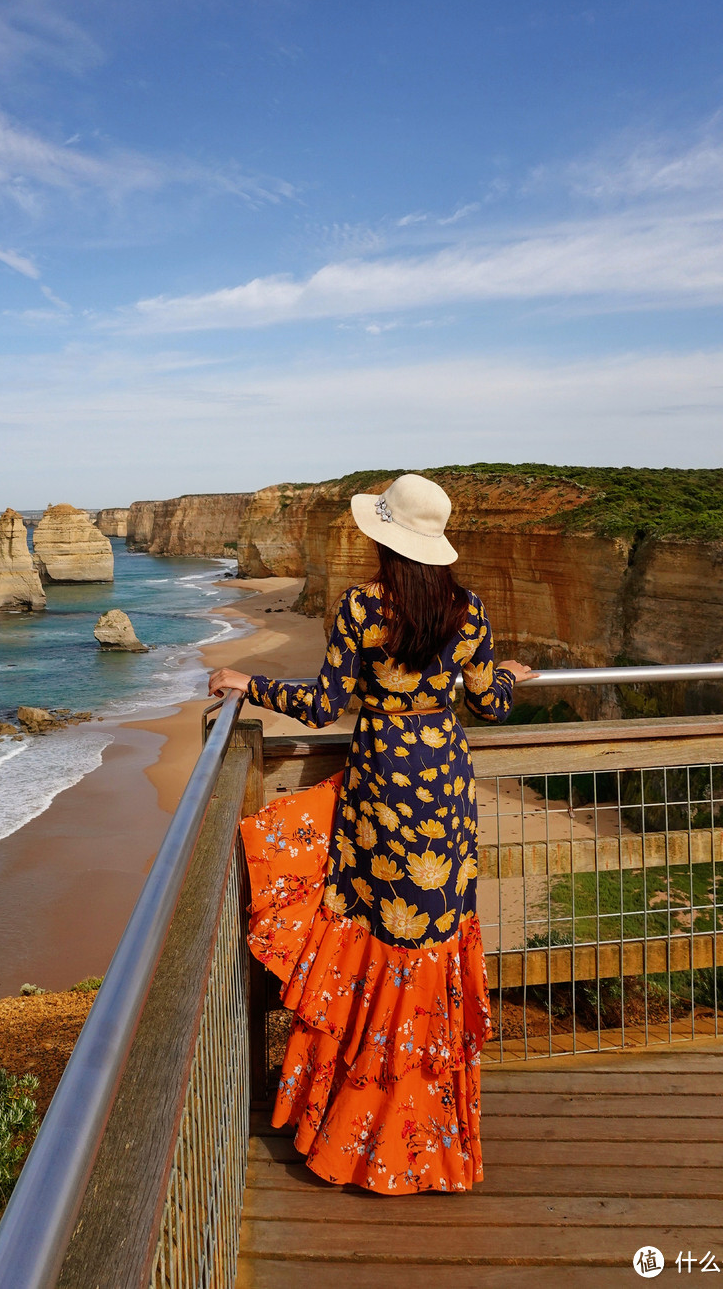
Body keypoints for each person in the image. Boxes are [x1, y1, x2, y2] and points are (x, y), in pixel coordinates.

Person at [209, 473, 535, 1194]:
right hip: (446, 793)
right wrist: (508, 674)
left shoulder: (362, 607)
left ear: (384, 539)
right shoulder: (466, 610)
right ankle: (429, 1141)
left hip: (382, 790)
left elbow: (324, 703)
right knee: (432, 943)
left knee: (376, 944)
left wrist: (247, 683)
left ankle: (355, 1130)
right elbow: (490, 704)